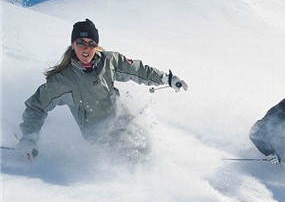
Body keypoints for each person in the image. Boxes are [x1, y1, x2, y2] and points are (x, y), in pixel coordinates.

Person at [16, 18, 188, 162]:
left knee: (147, 148)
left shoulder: (109, 61)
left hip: (122, 118)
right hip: (99, 135)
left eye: (91, 44)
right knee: (130, 159)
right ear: (73, 44)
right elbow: (36, 107)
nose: (85, 48)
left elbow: (138, 70)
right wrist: (29, 138)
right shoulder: (63, 80)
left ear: (97, 46)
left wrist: (166, 78)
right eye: (80, 42)